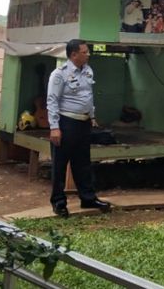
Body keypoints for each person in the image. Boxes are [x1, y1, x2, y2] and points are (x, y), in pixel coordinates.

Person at [47, 39, 111, 218]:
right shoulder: (59, 75)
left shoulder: (88, 71)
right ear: (74, 54)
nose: (88, 54)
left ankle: (88, 198)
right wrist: (54, 127)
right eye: (85, 52)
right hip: (66, 123)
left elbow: (88, 96)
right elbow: (52, 101)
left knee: (83, 163)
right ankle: (59, 202)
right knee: (60, 165)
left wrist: (92, 117)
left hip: (83, 123)